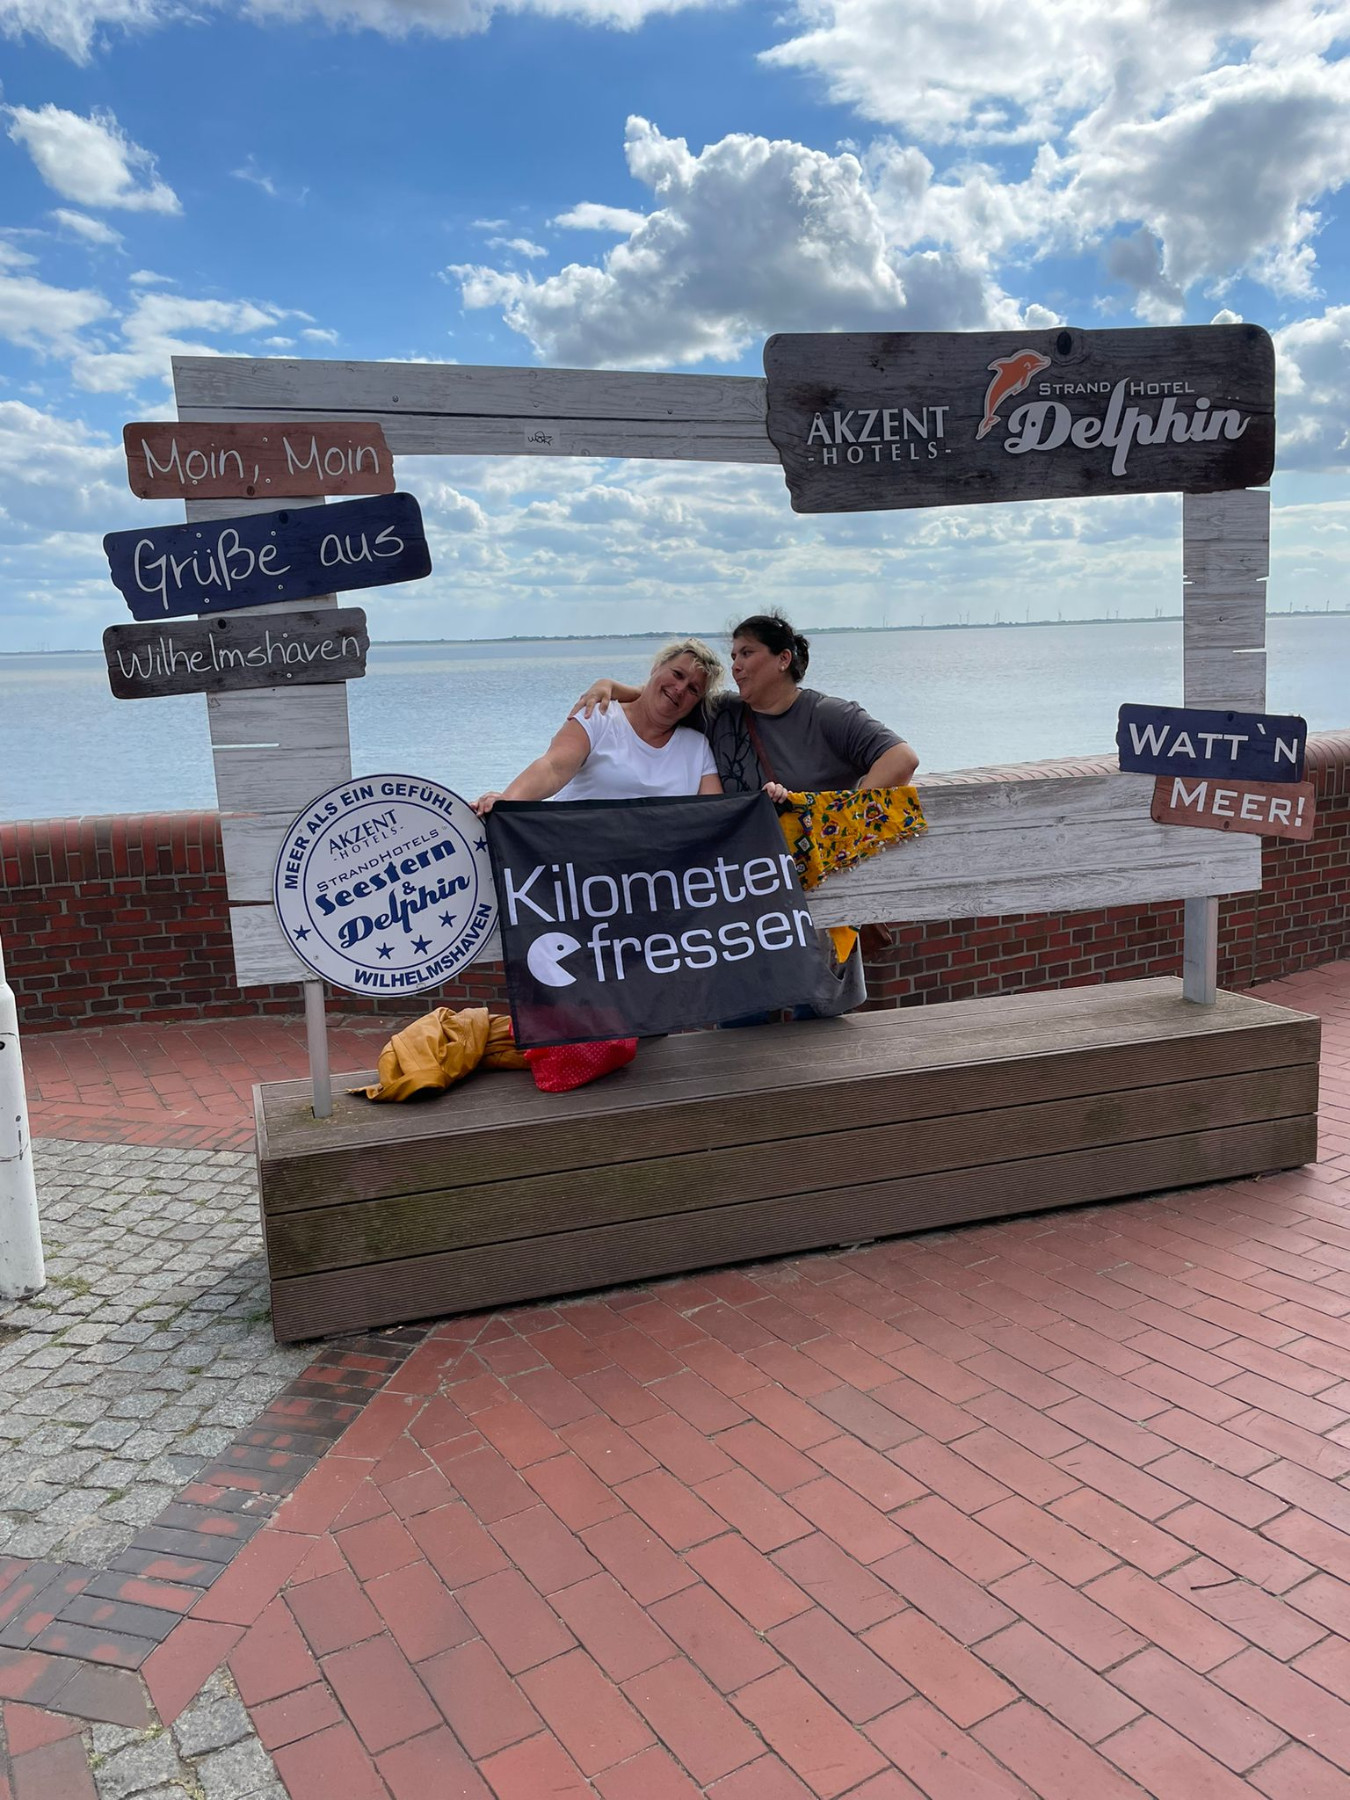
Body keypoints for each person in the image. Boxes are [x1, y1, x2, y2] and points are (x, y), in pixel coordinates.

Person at [573, 611, 918, 1015]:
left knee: (817, 1031)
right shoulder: (721, 712)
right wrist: (608, 686)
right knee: (740, 1030)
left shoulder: (827, 714)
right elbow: (661, 695)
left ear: (783, 659)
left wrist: (827, 817)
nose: (735, 664)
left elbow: (901, 759)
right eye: (734, 654)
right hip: (739, 916)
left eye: (747, 653)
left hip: (814, 911)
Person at [475, 638, 724, 812]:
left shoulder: (697, 747)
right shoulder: (599, 715)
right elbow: (553, 767)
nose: (680, 689)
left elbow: (716, 815)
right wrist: (508, 800)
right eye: (677, 674)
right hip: (576, 859)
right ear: (656, 668)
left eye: (693, 689)